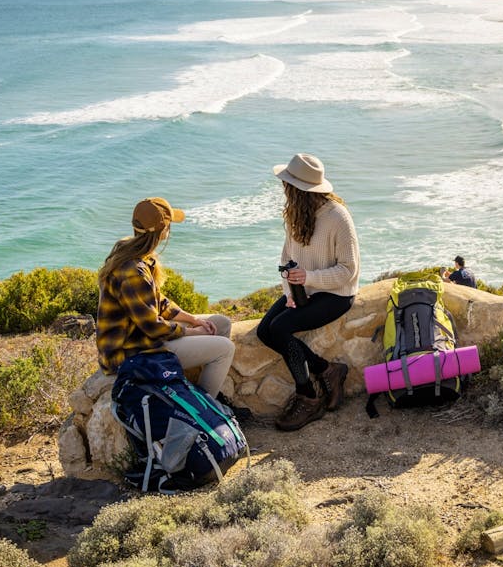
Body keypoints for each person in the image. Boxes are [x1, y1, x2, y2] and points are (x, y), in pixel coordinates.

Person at [257, 153, 360, 432]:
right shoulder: (294, 214)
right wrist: (289, 292)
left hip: (336, 294)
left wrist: (310, 277)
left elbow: (348, 270)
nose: (283, 187)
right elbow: (286, 259)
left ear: (297, 188)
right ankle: (327, 370)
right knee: (264, 331)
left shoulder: (338, 217)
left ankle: (308, 397)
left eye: (287, 183)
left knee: (280, 329)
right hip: (303, 290)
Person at [96, 197, 237, 399]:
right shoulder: (132, 271)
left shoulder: (131, 252)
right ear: (163, 231)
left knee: (221, 323)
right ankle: (203, 407)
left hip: (140, 338)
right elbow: (153, 327)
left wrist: (192, 319)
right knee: (225, 349)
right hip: (131, 353)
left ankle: (197, 393)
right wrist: (191, 331)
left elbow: (158, 301)